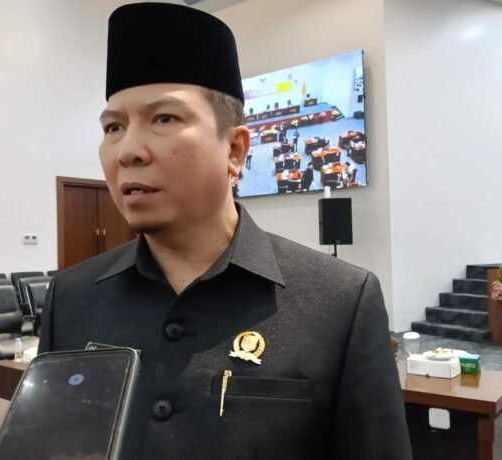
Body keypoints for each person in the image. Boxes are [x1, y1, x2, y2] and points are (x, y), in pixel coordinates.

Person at [40, 3, 411, 459]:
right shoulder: (71, 298)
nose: (128, 150)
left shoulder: (340, 302)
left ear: (234, 150)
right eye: (114, 126)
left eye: (164, 119)